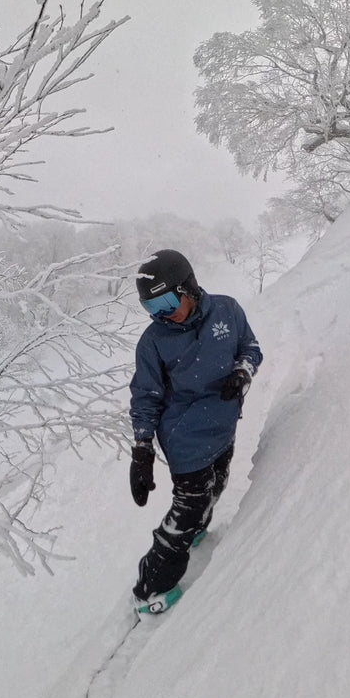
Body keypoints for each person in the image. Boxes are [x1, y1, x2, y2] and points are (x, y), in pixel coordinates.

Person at [129, 249, 263, 615]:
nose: (162, 314)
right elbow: (145, 397)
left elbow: (251, 348)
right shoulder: (154, 342)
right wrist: (142, 449)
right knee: (186, 512)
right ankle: (150, 589)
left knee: (217, 486)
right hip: (185, 439)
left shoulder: (227, 310)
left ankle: (199, 524)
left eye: (167, 303)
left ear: (189, 288)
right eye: (151, 308)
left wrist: (242, 372)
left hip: (223, 427)